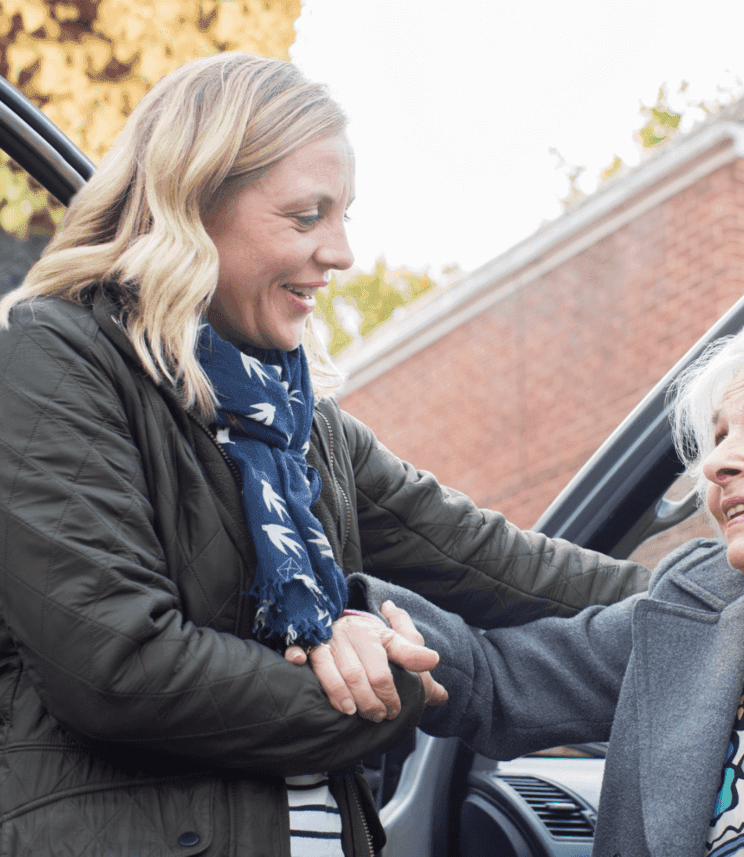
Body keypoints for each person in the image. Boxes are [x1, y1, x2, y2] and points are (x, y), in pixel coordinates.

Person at [0, 53, 648, 857]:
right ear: (193, 206)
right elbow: (119, 667)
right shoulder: (56, 357)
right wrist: (395, 685)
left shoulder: (301, 426)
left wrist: (741, 593)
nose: (340, 252)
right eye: (307, 216)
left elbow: (503, 568)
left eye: (345, 216)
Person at [353, 312, 744, 857]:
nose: (717, 463)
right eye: (718, 436)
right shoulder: (697, 605)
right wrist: (361, 624)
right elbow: (497, 683)